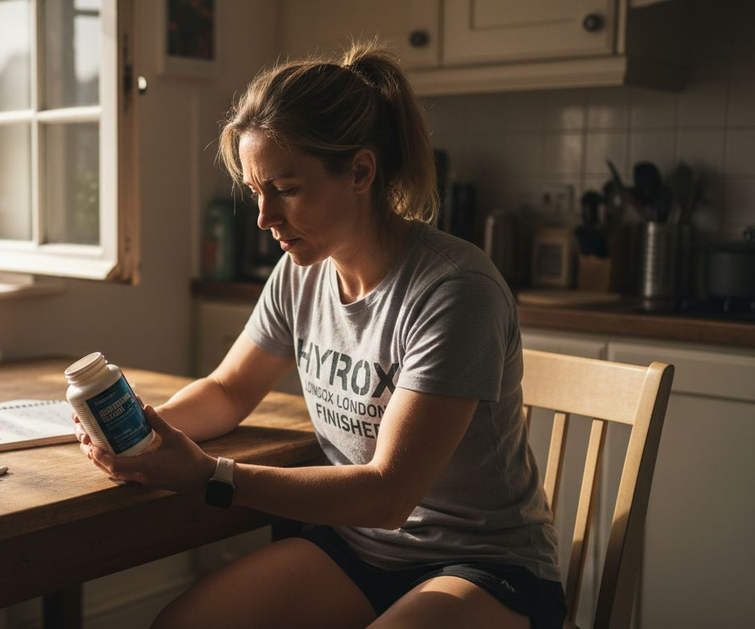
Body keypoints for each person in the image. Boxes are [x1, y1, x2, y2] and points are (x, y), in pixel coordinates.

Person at [74, 40, 567, 629]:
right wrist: (146, 433)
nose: (263, 217)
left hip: (484, 567)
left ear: (360, 171)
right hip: (359, 551)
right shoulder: (301, 273)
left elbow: (388, 496)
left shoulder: (455, 290)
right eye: (256, 191)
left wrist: (209, 476)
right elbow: (231, 390)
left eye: (285, 189)